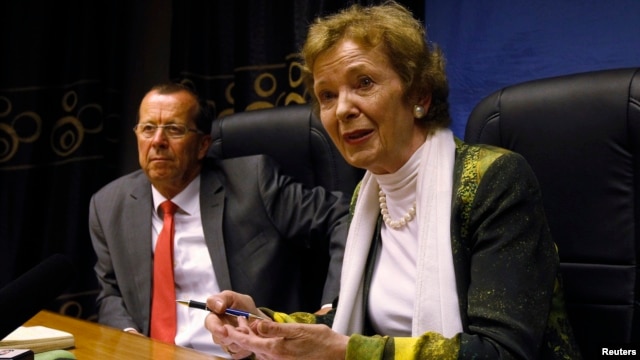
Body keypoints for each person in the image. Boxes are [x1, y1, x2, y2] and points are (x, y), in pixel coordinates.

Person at [203, 2, 582, 359]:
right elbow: (341, 327)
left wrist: (346, 352)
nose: (343, 109)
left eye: (364, 82)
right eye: (327, 95)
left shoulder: (492, 180)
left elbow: (501, 351)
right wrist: (260, 324)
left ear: (419, 95)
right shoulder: (368, 197)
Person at [88, 82, 350, 357]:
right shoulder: (109, 205)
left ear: (203, 145)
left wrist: (333, 308)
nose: (157, 141)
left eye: (174, 129)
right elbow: (111, 292)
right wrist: (131, 340)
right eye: (148, 128)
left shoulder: (252, 183)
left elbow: (342, 216)